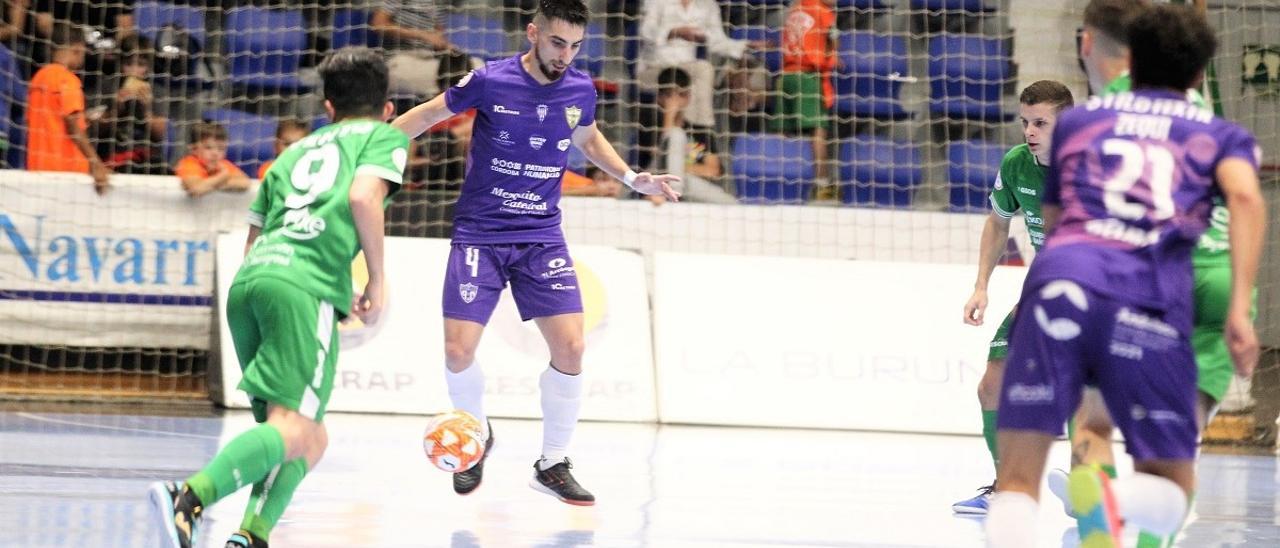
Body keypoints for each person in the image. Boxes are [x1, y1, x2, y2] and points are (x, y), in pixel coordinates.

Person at [984, 5, 1265, 547]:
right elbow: (1246, 196)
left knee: (1018, 483)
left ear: (1123, 60)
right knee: (1170, 489)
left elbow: (1056, 221)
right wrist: (1239, 308)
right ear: (1200, 71)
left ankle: (1083, 493)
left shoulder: (1082, 122)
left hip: (1063, 281)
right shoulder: (1216, 133)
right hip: (1150, 291)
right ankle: (1117, 497)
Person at [392, 0, 679, 506]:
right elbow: (429, 114)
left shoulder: (580, 88)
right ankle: (475, 434)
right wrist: (366, 145)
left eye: (574, 45)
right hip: (480, 232)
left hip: (541, 235)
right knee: (458, 351)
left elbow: (588, 140)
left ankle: (552, 463)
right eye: (556, 42)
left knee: (571, 348)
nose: (565, 55)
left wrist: (635, 178)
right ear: (533, 33)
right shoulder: (489, 80)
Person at [147, 47, 409, 548]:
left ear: (327, 108)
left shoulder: (292, 153)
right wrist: (376, 278)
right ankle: (189, 495)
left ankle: (250, 537)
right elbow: (362, 196)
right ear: (388, 107)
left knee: (306, 437)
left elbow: (259, 240)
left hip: (250, 285)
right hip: (299, 289)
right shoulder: (384, 137)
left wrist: (326, 279)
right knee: (296, 429)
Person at [950, 80, 1074, 515]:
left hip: (1088, 292)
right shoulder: (1017, 164)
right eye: (1025, 122)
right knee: (991, 386)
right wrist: (981, 285)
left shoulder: (1087, 168)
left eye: (1041, 122)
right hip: (1041, 288)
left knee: (1080, 390)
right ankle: (1006, 488)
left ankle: (1090, 484)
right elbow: (998, 222)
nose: (1030, 131)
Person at [635, 0, 763, 128]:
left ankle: (699, 130)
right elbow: (645, 32)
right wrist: (674, 32)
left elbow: (717, 42)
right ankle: (695, 132)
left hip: (686, 69)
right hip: (653, 68)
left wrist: (747, 45)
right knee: (694, 77)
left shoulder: (708, 5)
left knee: (703, 69)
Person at [26, 22, 109, 192]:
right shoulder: (67, 80)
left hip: (36, 166)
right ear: (77, 49)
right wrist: (95, 162)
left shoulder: (38, 79)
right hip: (65, 169)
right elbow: (72, 125)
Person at [642, 66, 736, 205]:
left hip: (689, 184)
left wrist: (678, 168)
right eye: (669, 95)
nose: (676, 101)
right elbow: (656, 160)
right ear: (659, 97)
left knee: (731, 203)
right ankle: (673, 195)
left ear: (688, 96)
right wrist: (669, 115)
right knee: (676, 134)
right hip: (657, 183)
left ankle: (675, 192)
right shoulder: (648, 124)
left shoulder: (701, 131)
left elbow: (713, 170)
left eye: (681, 95)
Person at [774, 0, 837, 196]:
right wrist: (833, 58)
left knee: (783, 130)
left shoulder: (795, 9)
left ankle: (777, 179)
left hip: (785, 76)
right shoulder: (823, 11)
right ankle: (822, 184)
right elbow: (833, 38)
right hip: (807, 77)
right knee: (818, 132)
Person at [92, 35, 166, 175]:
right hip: (113, 153)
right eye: (128, 64)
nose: (133, 70)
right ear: (120, 65)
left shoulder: (156, 90)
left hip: (146, 156)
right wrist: (116, 109)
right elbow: (94, 130)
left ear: (148, 67)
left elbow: (160, 135)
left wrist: (146, 110)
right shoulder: (108, 86)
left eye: (140, 65)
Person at [174, 122, 250, 198]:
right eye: (208, 148)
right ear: (194, 149)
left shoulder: (223, 164)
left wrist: (210, 185)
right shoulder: (189, 163)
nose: (215, 153)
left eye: (221, 149)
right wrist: (222, 176)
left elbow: (245, 183)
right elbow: (195, 189)